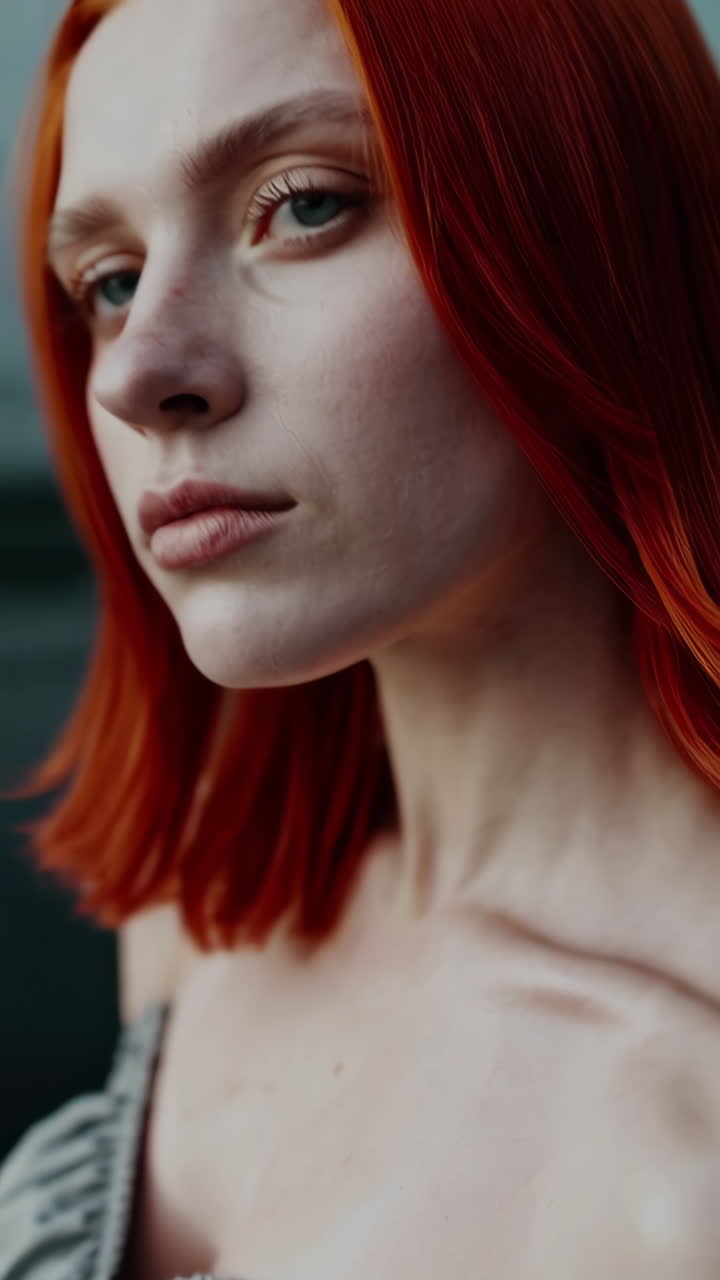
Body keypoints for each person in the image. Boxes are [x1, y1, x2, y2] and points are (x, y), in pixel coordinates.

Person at [1, 0, 720, 1275]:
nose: (135, 373)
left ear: (592, 224)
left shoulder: (683, 1154)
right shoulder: (204, 912)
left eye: (304, 205)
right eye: (109, 281)